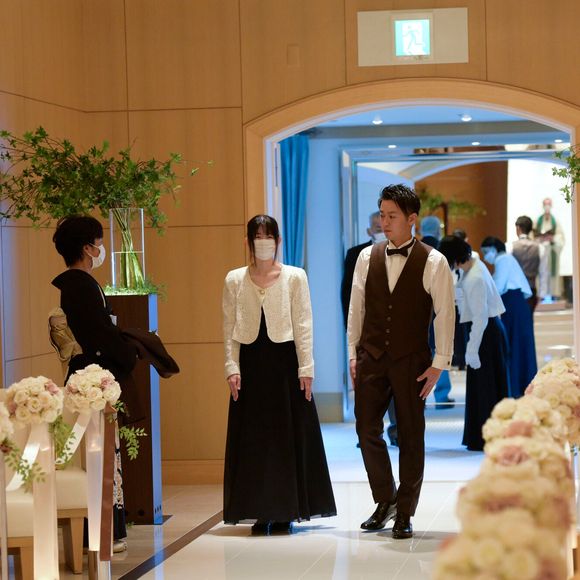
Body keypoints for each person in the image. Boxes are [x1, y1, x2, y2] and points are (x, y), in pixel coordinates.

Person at [348, 184, 455, 539]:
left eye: (392, 216)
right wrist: (353, 354)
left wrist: (440, 363)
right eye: (382, 214)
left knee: (410, 435)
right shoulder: (367, 257)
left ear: (411, 219)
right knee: (366, 430)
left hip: (412, 361)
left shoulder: (434, 261)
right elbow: (356, 309)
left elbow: (445, 314)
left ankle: (405, 511)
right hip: (372, 357)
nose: (385, 221)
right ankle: (386, 499)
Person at [222, 214, 336, 536]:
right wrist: (231, 367)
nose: (263, 242)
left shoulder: (295, 277)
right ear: (248, 241)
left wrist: (306, 368)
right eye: (257, 236)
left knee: (287, 437)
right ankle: (259, 512)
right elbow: (229, 327)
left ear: (278, 241)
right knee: (254, 439)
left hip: (285, 365)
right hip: (251, 366)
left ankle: (287, 510)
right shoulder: (234, 279)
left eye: (268, 236)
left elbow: (304, 323)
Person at [52, 215, 139, 553]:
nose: (102, 249)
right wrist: (128, 352)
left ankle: (106, 531)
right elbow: (99, 334)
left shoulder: (80, 284)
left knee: (100, 454)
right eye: (99, 243)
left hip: (90, 375)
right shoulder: (80, 286)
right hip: (90, 377)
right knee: (96, 454)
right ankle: (102, 533)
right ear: (87, 248)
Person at [438, 236, 509, 452]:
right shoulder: (474, 265)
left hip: (484, 334)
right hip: (489, 331)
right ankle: (490, 436)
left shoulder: (474, 278)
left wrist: (471, 350)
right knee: (486, 386)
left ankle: (486, 437)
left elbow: (480, 318)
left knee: (485, 387)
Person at [342, 211, 397, 446]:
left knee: (395, 383)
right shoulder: (356, 254)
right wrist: (350, 329)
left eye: (385, 222)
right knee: (367, 385)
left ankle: (397, 429)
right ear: (368, 230)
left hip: (395, 330)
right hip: (366, 330)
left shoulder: (405, 252)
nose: (381, 227)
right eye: (376, 224)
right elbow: (347, 295)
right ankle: (368, 430)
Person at [480, 236, 537, 398]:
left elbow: (498, 286)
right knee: (519, 344)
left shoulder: (503, 259)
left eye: (486, 251)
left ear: (494, 248)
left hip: (513, 305)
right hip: (515, 305)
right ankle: (521, 385)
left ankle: (517, 386)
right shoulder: (506, 259)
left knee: (515, 344)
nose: (486, 256)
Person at [420, 215, 454, 409]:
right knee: (441, 349)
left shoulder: (415, 249)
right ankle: (441, 396)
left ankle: (419, 397)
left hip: (419, 311)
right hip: (438, 307)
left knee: (420, 354)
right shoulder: (442, 250)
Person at [535, 197, 564, 301]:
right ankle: (541, 295)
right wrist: (540, 238)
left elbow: (560, 237)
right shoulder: (537, 221)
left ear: (551, 206)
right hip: (541, 250)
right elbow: (533, 235)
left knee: (552, 272)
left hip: (551, 251)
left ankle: (553, 294)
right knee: (541, 272)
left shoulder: (555, 221)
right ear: (543, 206)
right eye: (545, 204)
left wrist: (552, 238)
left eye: (549, 204)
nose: (547, 206)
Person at [512, 215, 540, 313]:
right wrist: (542, 293)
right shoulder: (538, 247)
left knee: (517, 318)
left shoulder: (511, 246)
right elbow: (543, 271)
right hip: (531, 287)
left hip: (516, 289)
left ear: (518, 228)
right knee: (529, 317)